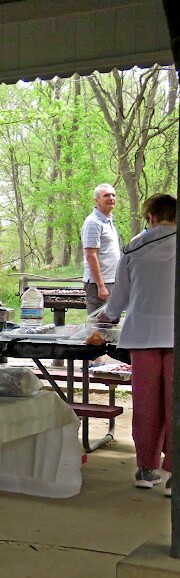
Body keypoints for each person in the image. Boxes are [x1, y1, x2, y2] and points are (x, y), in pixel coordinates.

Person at [101, 193, 175, 496]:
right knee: (175, 405)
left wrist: (104, 318)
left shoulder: (134, 247)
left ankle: (146, 468)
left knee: (146, 405)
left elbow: (118, 301)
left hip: (142, 336)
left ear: (151, 217)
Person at [82, 183, 121, 315]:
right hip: (98, 284)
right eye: (106, 195)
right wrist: (101, 286)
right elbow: (91, 256)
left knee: (111, 321)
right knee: (98, 323)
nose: (111, 198)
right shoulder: (93, 222)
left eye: (113, 195)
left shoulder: (109, 221)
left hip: (112, 281)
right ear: (97, 200)